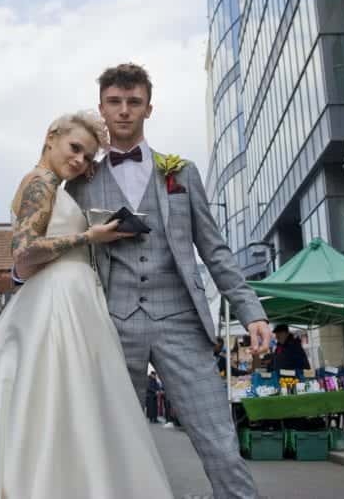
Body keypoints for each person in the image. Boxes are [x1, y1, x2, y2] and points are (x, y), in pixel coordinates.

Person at [0, 111, 174, 498]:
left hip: (71, 300)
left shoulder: (55, 185)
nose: (80, 161)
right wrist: (88, 237)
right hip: (55, 303)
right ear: (51, 137)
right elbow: (23, 254)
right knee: (57, 405)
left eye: (88, 156)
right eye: (75, 148)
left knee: (62, 406)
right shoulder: (40, 181)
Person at [65, 63, 271, 499]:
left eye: (133, 102)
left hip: (180, 319)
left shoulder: (182, 173)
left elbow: (214, 251)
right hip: (112, 323)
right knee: (109, 445)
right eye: (115, 103)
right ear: (102, 108)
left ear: (149, 108)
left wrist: (252, 312)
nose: (124, 111)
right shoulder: (81, 181)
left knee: (219, 440)